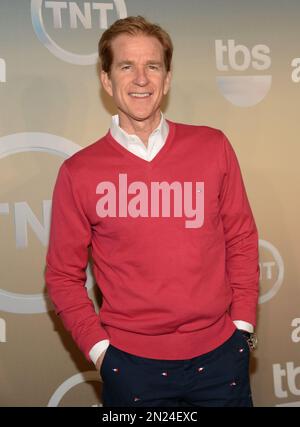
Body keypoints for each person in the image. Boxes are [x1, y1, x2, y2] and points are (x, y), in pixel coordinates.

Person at [45, 16, 259, 407]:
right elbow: (61, 276)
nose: (141, 78)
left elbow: (241, 239)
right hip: (132, 369)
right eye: (127, 66)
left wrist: (242, 327)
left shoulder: (213, 147)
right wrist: (101, 354)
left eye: (153, 66)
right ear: (107, 81)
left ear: (168, 78)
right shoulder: (79, 172)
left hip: (221, 361)